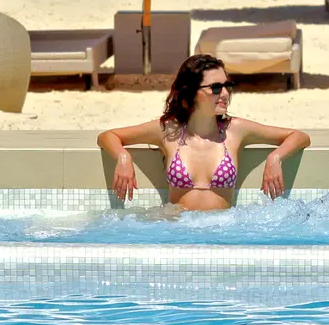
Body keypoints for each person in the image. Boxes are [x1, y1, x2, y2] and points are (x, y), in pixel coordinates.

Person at [97, 54, 310, 211]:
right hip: (177, 230)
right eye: (215, 88)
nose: (224, 94)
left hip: (222, 230)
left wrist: (275, 158)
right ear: (191, 93)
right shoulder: (169, 130)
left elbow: (300, 137)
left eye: (227, 86)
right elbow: (107, 136)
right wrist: (123, 157)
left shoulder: (235, 130)